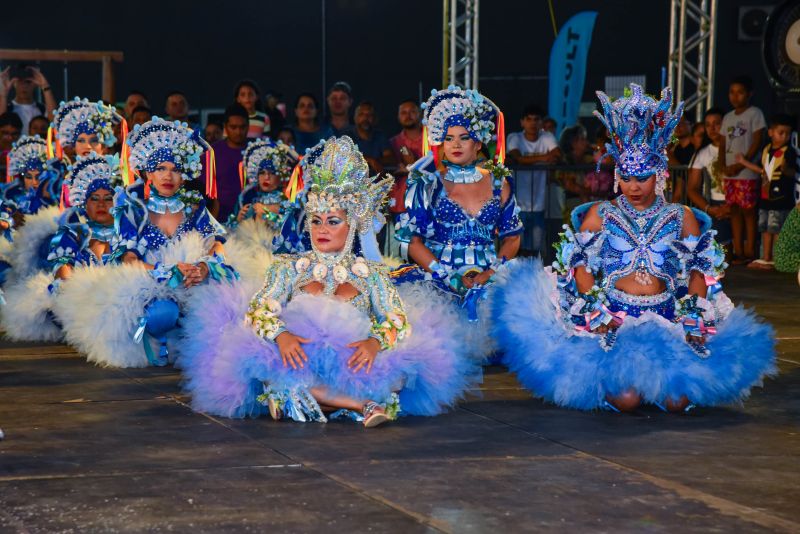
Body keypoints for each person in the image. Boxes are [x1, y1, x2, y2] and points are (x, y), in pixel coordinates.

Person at [492, 84, 776, 412]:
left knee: (676, 400)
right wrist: (594, 310)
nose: (634, 186)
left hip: (666, 316)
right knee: (626, 401)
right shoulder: (602, 213)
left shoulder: (680, 216)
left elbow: (699, 271)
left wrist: (695, 315)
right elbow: (579, 265)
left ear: (659, 175)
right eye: (626, 177)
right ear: (617, 177)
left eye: (642, 177)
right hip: (617, 317)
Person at [178, 136, 478, 425]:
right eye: (317, 221)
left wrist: (374, 343)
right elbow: (259, 310)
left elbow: (396, 318)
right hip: (298, 360)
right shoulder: (290, 267)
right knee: (263, 365)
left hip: (350, 364)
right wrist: (281, 336)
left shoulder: (370, 274)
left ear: (352, 225)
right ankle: (360, 405)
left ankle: (300, 400)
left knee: (401, 375)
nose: (322, 229)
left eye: (333, 221)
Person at [54, 117, 235, 368]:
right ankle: (157, 342)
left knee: (227, 306)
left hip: (194, 281)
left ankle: (193, 343)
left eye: (176, 169)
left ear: (186, 174)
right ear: (148, 172)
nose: (168, 175)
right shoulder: (133, 211)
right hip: (149, 286)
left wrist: (205, 267)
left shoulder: (195, 207)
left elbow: (215, 244)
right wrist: (167, 272)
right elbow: (128, 261)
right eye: (161, 168)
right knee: (163, 313)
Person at [393, 86, 523, 360]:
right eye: (449, 138)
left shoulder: (499, 181)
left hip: (489, 276)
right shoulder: (426, 182)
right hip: (440, 281)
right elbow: (412, 242)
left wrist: (492, 271)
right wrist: (449, 276)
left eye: (464, 138)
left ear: (479, 143)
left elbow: (512, 237)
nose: (455, 144)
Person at [2, 153, 121, 342]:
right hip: (80, 301)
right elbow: (63, 271)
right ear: (84, 203)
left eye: (108, 198)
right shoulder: (71, 232)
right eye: (94, 198)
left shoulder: (128, 234)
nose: (101, 204)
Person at [734, 114, 797, 270]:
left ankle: (776, 258)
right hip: (765, 196)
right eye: (781, 132)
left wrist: (786, 169)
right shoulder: (766, 149)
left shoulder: (789, 151)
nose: (785, 136)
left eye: (788, 134)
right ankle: (765, 257)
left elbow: (792, 172)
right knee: (764, 227)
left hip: (781, 198)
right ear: (771, 132)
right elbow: (762, 171)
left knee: (776, 228)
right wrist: (744, 162)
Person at [719, 75, 767, 264]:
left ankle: (750, 250)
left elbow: (757, 141)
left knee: (749, 211)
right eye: (732, 92)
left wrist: (741, 163)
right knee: (735, 210)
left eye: (740, 92)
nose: (735, 96)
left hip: (747, 171)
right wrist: (723, 165)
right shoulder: (728, 117)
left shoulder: (755, 113)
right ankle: (738, 250)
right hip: (730, 173)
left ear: (749, 94)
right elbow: (723, 144)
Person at [507, 104, 560, 256]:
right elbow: (517, 158)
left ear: (541, 123)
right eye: (528, 119)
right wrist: (544, 158)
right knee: (517, 248)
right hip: (518, 203)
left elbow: (557, 155)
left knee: (535, 249)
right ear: (522, 122)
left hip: (539, 203)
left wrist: (527, 160)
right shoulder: (514, 137)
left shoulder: (547, 137)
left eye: (536, 119)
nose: (532, 123)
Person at [686, 108, 732, 253]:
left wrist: (732, 206)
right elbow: (692, 188)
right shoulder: (703, 153)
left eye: (717, 123)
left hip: (739, 204)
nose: (712, 128)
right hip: (716, 206)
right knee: (722, 252)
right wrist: (709, 209)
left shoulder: (738, 147)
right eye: (708, 125)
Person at [1, 135, 58, 217]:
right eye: (28, 177)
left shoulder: (57, 199)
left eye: (39, 177)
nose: (35, 182)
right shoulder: (11, 200)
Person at [210, 104, 250, 221]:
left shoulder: (255, 151)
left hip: (251, 220)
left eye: (242, 127)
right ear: (225, 127)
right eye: (233, 127)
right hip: (220, 221)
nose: (238, 132)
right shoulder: (212, 153)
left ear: (248, 126)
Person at [0, 65, 56, 134]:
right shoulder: (7, 108)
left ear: (35, 83)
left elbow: (54, 122)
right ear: (14, 83)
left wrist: (45, 86)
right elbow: (1, 124)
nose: (24, 86)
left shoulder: (42, 109)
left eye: (28, 82)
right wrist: (3, 95)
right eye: (19, 81)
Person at [352, 101, 393, 174]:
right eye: (361, 114)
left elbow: (390, 158)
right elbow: (345, 158)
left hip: (378, 182)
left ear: (375, 119)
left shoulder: (380, 136)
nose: (365, 118)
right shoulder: (347, 136)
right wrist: (370, 160)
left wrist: (375, 161)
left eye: (369, 115)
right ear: (355, 118)